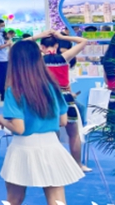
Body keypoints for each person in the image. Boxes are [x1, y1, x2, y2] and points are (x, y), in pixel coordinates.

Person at [0, 40, 84, 205]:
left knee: (14, 201)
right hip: (51, 147)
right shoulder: (52, 87)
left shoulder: (14, 90)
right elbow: (63, 122)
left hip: (23, 149)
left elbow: (19, 128)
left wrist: (0, 119)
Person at [36, 30, 89, 171]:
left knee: (52, 134)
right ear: (56, 45)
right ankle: (78, 165)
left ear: (42, 47)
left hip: (47, 98)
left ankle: (53, 166)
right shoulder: (64, 58)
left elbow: (21, 45)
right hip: (66, 98)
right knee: (74, 133)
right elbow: (83, 41)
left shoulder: (37, 60)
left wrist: (38, 36)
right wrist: (62, 37)